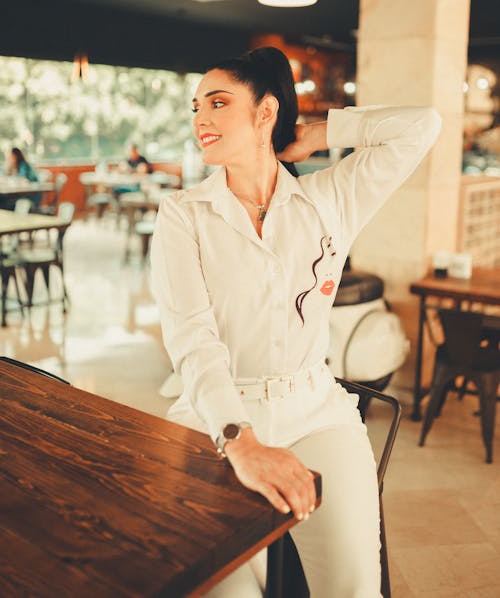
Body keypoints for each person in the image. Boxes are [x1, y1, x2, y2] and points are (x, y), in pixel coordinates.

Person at [151, 47, 441, 597]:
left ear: (265, 112)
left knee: (354, 586)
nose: (200, 120)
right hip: (214, 419)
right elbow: (194, 342)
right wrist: (241, 442)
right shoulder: (183, 216)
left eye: (217, 103)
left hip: (317, 413)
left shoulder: (330, 198)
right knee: (222, 589)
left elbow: (422, 125)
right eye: (195, 108)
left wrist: (316, 132)